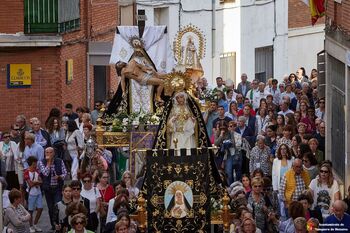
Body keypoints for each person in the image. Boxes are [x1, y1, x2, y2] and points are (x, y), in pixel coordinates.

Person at [38, 147, 67, 231]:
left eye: (51, 152)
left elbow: (65, 173)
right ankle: (53, 224)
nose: (49, 154)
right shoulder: (41, 162)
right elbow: (46, 173)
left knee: (58, 206)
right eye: (47, 152)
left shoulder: (59, 161)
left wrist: (60, 176)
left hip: (57, 188)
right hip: (48, 188)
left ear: (54, 153)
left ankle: (59, 224)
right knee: (50, 208)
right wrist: (49, 163)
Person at [24, 156, 43, 232]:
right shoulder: (26, 172)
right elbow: (30, 184)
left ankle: (35, 224)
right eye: (35, 163)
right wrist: (36, 182)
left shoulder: (37, 171)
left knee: (40, 209)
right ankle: (31, 226)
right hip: (31, 194)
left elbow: (41, 182)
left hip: (39, 193)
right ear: (32, 163)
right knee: (30, 211)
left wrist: (35, 182)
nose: (36, 164)